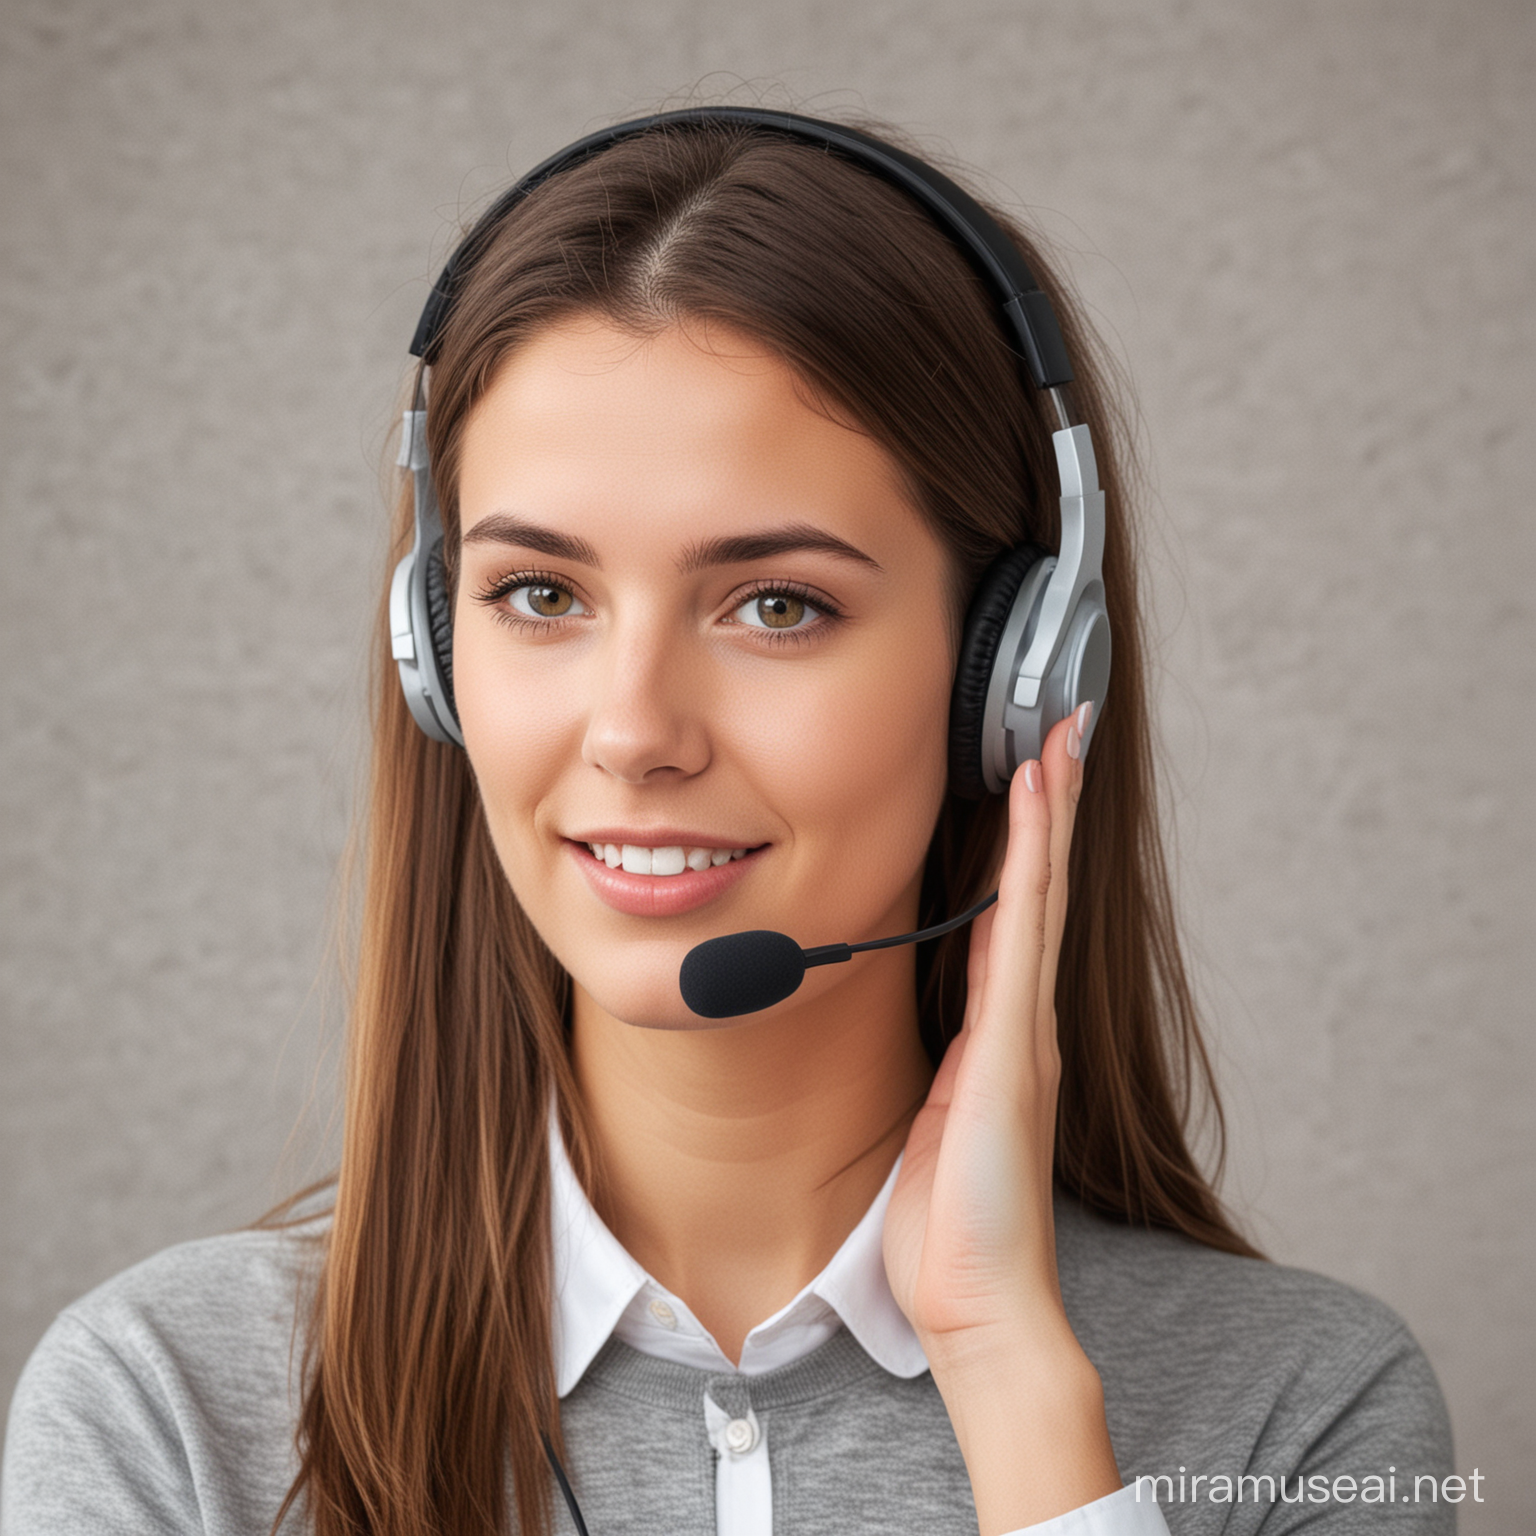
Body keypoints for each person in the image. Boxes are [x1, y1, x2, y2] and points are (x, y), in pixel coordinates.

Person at [1, 108, 1454, 1536]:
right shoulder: (171, 1410)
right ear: (434, 660)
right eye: (541, 596)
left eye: (777, 606)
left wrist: (1015, 1382)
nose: (634, 731)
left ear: (1013, 673)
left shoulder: (1304, 1415)